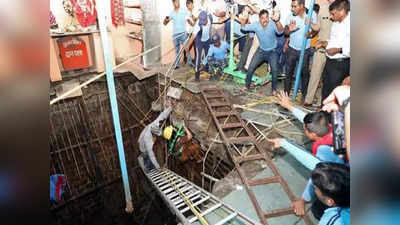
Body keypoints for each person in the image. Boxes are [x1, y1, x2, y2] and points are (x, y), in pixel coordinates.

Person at [240, 9, 284, 94]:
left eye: (267, 17)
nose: (265, 20)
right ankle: (247, 86)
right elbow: (244, 28)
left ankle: (274, 90)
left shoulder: (272, 24)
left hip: (272, 51)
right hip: (261, 51)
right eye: (263, 18)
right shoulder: (256, 25)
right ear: (259, 19)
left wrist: (277, 21)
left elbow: (280, 31)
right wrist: (243, 21)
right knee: (251, 67)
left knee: (274, 70)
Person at [284, 0, 319, 100]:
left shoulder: (312, 15)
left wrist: (311, 35)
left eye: (294, 6)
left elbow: (315, 31)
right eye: (292, 6)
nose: (292, 8)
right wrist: (289, 30)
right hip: (292, 49)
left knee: (305, 73)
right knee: (288, 73)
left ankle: (304, 96)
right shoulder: (290, 16)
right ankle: (286, 96)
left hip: (305, 50)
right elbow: (285, 32)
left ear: (302, 6)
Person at [316, 0, 350, 102]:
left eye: (333, 14)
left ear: (342, 11)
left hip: (340, 64)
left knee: (334, 92)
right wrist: (323, 43)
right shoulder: (336, 22)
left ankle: (331, 115)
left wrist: (338, 50)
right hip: (330, 61)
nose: (331, 17)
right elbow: (333, 40)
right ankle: (323, 112)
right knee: (326, 89)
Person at [304, 0, 336, 107]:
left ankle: (321, 102)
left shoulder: (342, 9)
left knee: (327, 78)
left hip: (334, 50)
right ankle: (308, 100)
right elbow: (317, 27)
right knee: (314, 74)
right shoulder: (323, 8)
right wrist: (310, 23)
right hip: (320, 49)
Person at [138, 107, 172, 172]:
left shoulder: (155, 124)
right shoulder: (147, 140)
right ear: (153, 134)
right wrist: (158, 167)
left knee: (151, 155)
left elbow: (162, 115)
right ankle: (147, 167)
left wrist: (170, 108)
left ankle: (151, 164)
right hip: (142, 146)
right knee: (147, 157)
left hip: (143, 136)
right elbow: (151, 155)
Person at [163, 0, 193, 69]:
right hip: (175, 35)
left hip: (183, 33)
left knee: (187, 49)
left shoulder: (184, 11)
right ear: (173, 3)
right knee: (177, 50)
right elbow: (164, 23)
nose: (177, 3)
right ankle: (177, 64)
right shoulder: (171, 13)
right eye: (176, 2)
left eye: (178, 2)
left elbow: (190, 15)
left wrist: (190, 20)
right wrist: (166, 19)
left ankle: (190, 63)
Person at [186, 11, 213, 82]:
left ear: (207, 18)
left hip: (207, 40)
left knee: (208, 56)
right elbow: (193, 36)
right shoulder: (198, 25)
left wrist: (211, 39)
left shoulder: (210, 17)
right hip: (199, 40)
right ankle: (197, 76)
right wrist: (188, 46)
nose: (202, 22)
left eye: (203, 21)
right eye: (201, 21)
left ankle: (207, 71)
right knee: (198, 57)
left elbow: (210, 28)